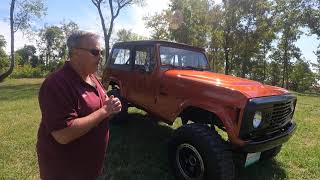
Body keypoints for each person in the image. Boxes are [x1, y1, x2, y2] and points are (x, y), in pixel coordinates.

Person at [36, 31, 121, 180]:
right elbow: (63, 134)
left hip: (88, 168)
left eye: (101, 52)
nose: (100, 56)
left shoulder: (93, 77)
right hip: (64, 171)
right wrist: (105, 111)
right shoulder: (56, 84)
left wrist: (111, 107)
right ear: (75, 53)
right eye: (95, 52)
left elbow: (102, 106)